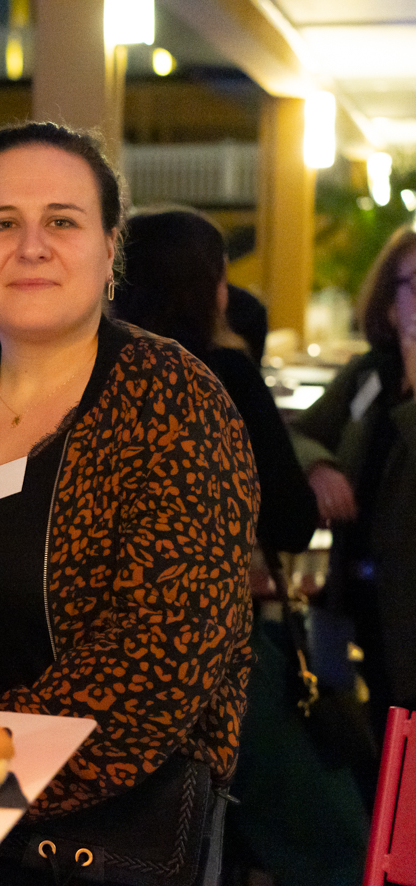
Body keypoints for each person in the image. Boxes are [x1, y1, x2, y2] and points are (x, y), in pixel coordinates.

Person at [0, 123, 258, 877]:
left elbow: (158, 665)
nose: (31, 247)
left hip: (96, 842)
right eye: (1, 224)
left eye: (61, 221)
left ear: (108, 249)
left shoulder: (174, 402)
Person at [112, 209, 368, 886]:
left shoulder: (103, 372)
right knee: (324, 840)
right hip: (219, 648)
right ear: (209, 284)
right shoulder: (221, 369)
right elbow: (289, 521)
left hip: (116, 662)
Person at [112, 207, 318, 557]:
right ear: (205, 289)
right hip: (197, 584)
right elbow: (292, 521)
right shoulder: (226, 375)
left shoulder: (91, 372)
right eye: (223, 279)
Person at [292, 224, 416, 734]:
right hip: (354, 591)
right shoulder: (371, 374)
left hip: (408, 609)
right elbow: (296, 435)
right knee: (356, 736)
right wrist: (319, 466)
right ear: (390, 305)